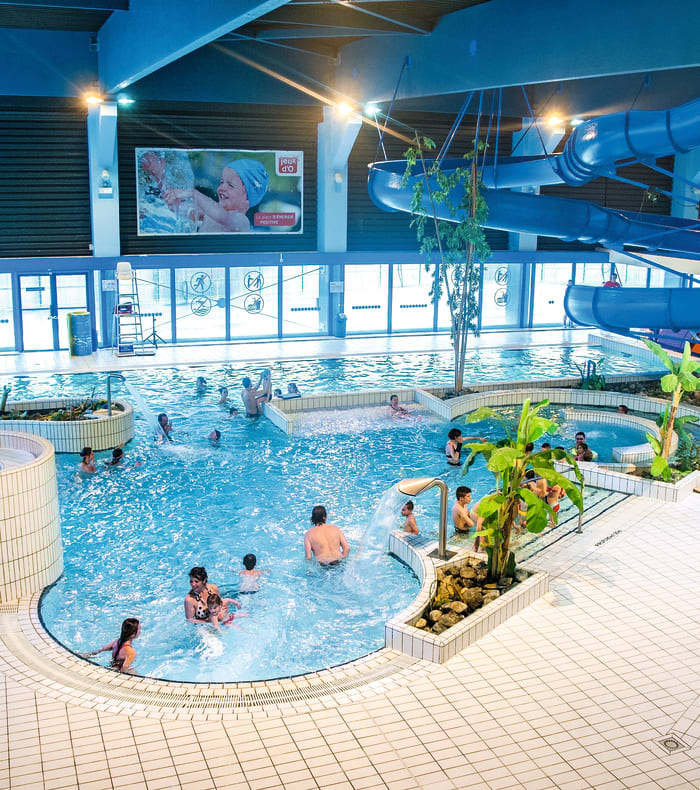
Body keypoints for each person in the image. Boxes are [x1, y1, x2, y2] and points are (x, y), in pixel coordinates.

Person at [143, 154, 270, 233]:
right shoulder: (208, 215)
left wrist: (193, 193)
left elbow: (223, 217)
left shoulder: (242, 222)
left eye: (230, 185)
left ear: (247, 199)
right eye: (221, 182)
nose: (221, 188)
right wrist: (159, 175)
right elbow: (176, 207)